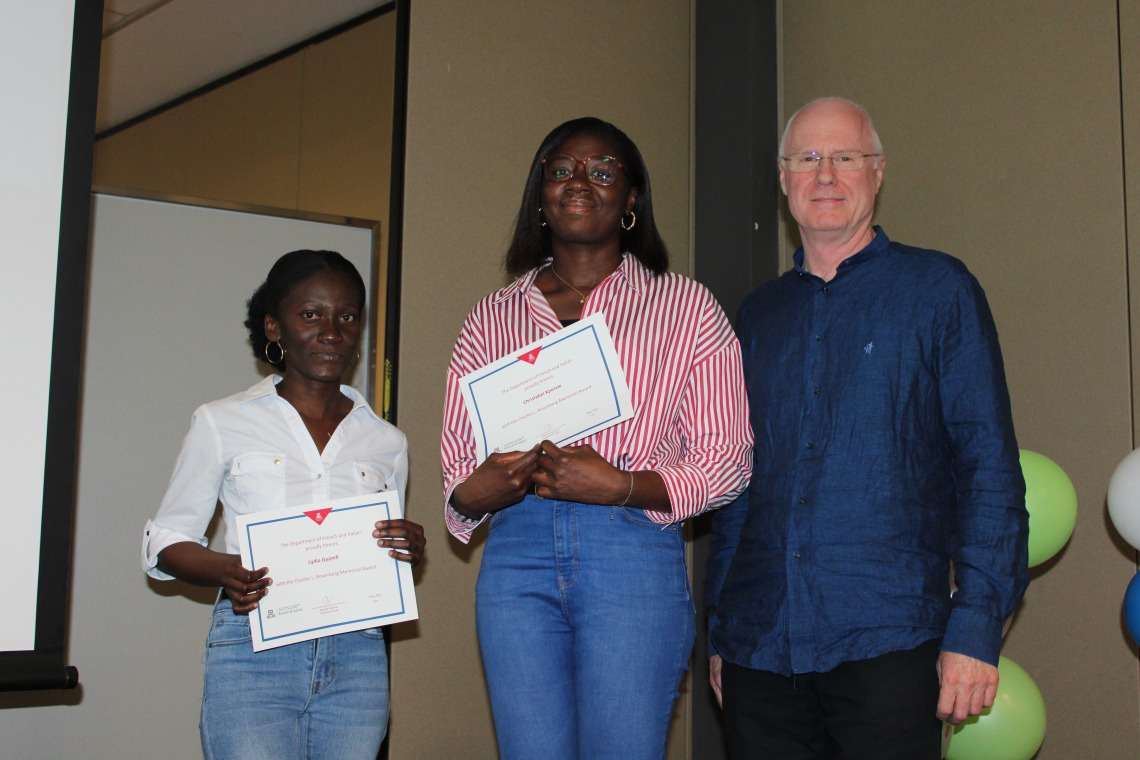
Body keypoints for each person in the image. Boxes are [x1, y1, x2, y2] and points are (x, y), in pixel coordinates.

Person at [706, 97, 1030, 759]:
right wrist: (720, 632)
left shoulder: (939, 290)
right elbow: (737, 482)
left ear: (877, 172)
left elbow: (988, 468)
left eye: (845, 157)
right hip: (759, 652)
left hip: (889, 645)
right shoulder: (756, 316)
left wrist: (974, 627)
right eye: (807, 158)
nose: (825, 175)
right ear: (783, 177)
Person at [441, 116, 752, 760]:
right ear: (540, 193)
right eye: (561, 170)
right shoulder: (491, 317)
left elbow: (729, 459)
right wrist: (482, 490)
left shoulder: (686, 307)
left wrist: (622, 486)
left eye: (602, 170)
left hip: (631, 554)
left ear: (632, 197)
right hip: (516, 559)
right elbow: (457, 480)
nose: (579, 181)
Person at [141, 249, 425, 760]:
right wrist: (227, 568)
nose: (332, 331)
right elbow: (165, 542)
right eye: (311, 314)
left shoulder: (387, 441)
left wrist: (406, 546)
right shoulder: (221, 421)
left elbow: (380, 554)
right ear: (274, 327)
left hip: (357, 656)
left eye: (347, 316)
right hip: (252, 646)